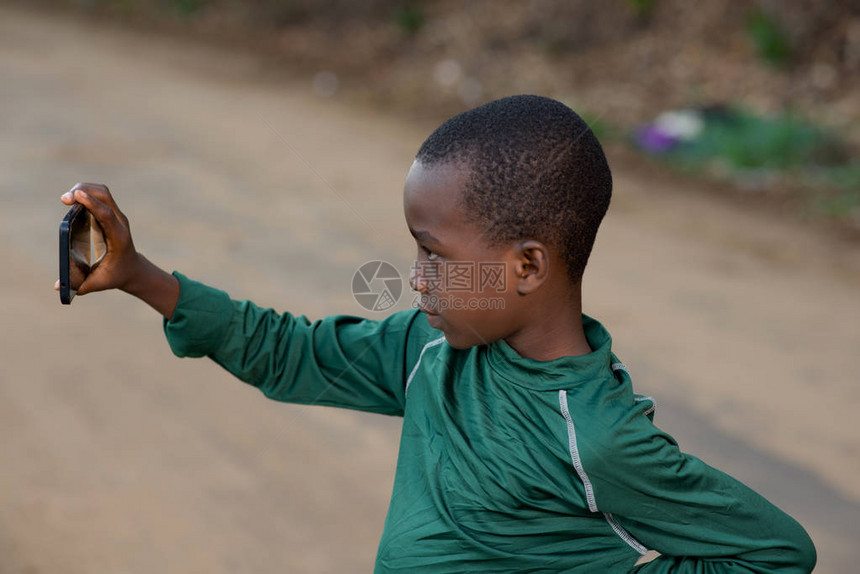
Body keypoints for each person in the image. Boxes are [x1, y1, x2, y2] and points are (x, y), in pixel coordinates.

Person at [57, 95, 816, 572]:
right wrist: (139, 275)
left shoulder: (597, 437)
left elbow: (776, 552)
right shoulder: (426, 348)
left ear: (526, 266)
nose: (416, 277)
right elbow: (288, 352)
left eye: (433, 251)